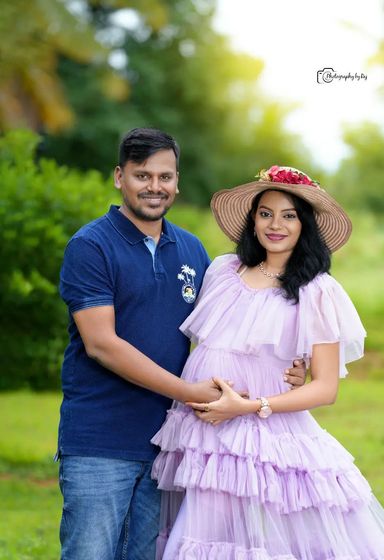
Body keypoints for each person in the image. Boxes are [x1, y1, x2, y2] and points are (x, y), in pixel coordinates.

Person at [57, 130, 306, 560]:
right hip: (100, 440)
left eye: (165, 176)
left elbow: (228, 331)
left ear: (177, 181)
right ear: (120, 177)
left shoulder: (192, 250)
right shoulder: (92, 245)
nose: (155, 186)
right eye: (142, 175)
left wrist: (291, 367)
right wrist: (191, 393)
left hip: (169, 446)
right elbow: (102, 345)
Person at [151, 165, 384, 559]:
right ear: (253, 221)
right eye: (266, 214)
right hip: (202, 429)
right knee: (203, 533)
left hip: (263, 433)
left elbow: (326, 388)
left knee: (268, 537)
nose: (275, 225)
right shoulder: (224, 271)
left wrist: (249, 406)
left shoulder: (316, 291)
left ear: (304, 225)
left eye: (289, 215)